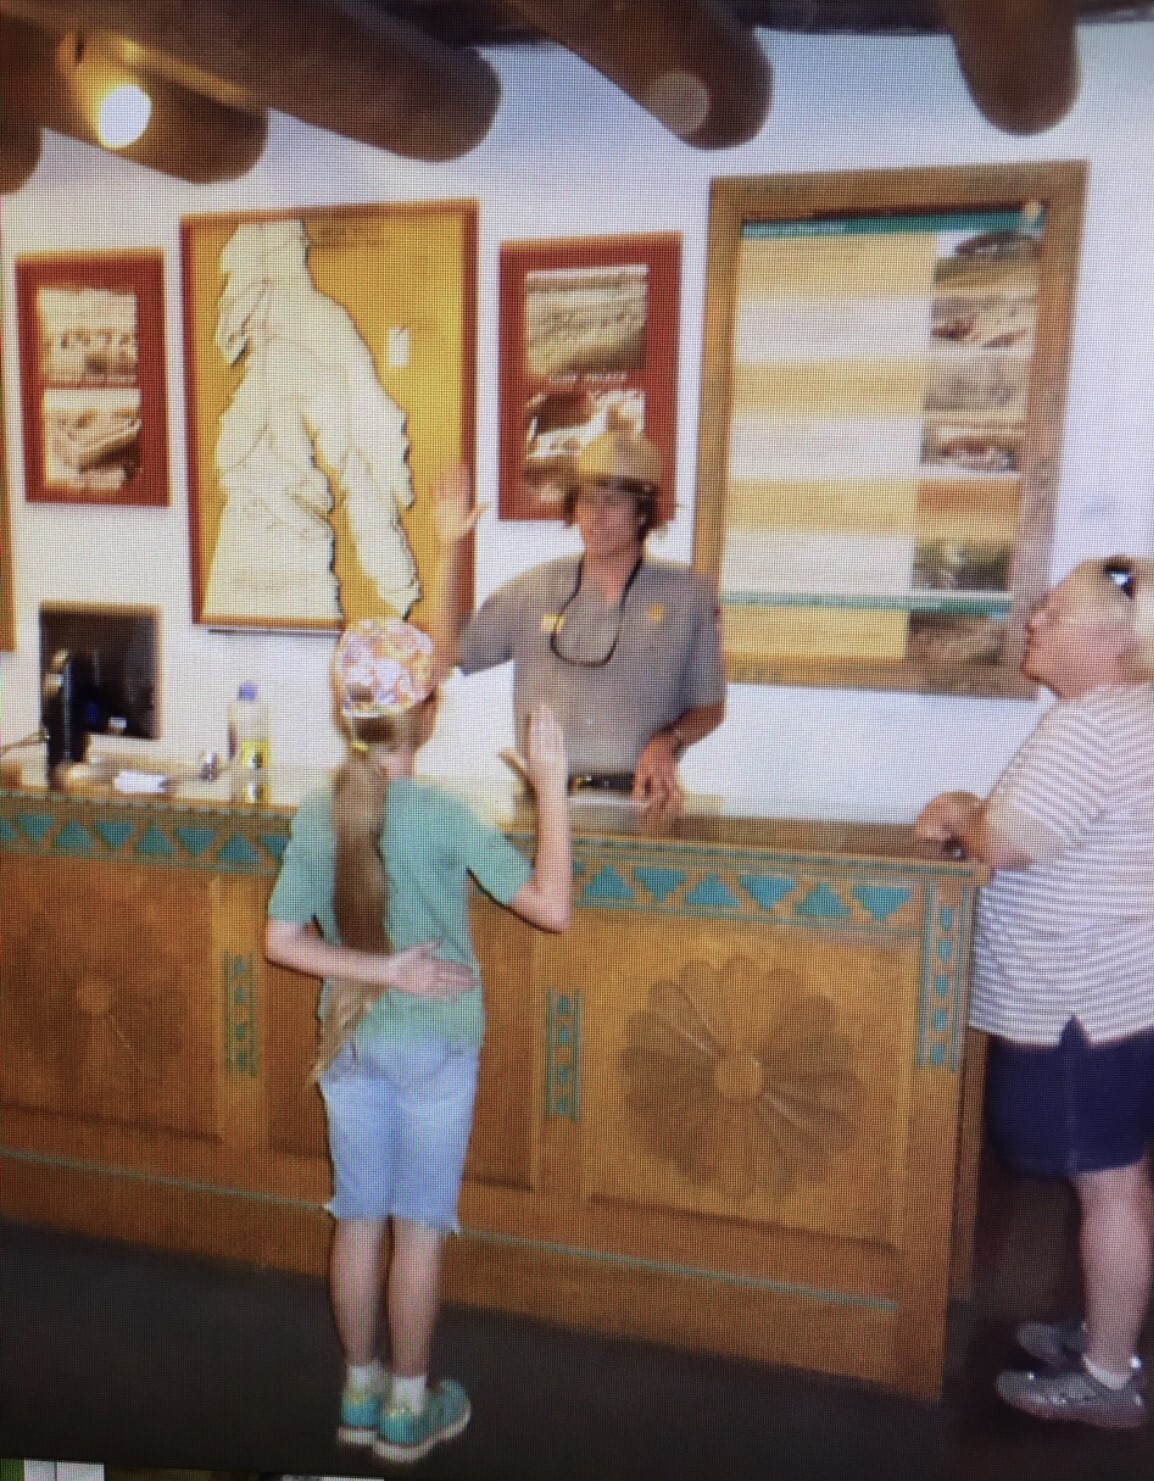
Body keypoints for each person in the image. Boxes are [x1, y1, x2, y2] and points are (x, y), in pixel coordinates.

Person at [265, 617, 571, 1463]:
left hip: (351, 1044)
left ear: (348, 712)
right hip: (437, 1047)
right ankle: (408, 1405)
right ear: (426, 713)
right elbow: (552, 906)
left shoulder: (320, 810)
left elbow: (282, 939)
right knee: (419, 1229)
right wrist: (551, 785)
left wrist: (377, 970)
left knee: (358, 1221)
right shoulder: (444, 815)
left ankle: (358, 1392)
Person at [914, 555, 1154, 1430]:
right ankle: (1107, 1333)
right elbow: (1042, 827)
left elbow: (1011, 842)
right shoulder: (1123, 714)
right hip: (1121, 995)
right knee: (1120, 1179)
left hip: (1086, 1000)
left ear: (1111, 639)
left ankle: (1107, 1378)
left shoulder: (1092, 724)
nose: (1033, 622)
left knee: (1108, 1186)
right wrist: (977, 812)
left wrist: (958, 809)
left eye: (1053, 612)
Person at [433, 426, 726, 811]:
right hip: (545, 804)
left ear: (642, 513)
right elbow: (441, 656)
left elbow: (710, 707)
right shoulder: (534, 589)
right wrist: (449, 547)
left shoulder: (688, 595)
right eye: (586, 501)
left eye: (613, 502)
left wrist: (668, 739)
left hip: (643, 804)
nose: (596, 517)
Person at [206, 219, 421, 623]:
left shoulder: (315, 336)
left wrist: (396, 583)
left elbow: (357, 462)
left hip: (294, 556)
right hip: (240, 549)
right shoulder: (263, 363)